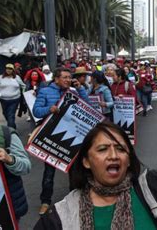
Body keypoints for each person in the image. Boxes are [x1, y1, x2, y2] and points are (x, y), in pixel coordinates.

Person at [34, 96, 157, 229]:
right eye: (102, 149)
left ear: (129, 159)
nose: (113, 155)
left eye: (120, 148)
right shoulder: (58, 218)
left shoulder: (155, 190)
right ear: (85, 161)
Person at [33, 67, 90, 215]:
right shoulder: (45, 92)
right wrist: (48, 109)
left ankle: (75, 197)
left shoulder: (73, 92)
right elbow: (36, 111)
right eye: (64, 77)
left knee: (74, 170)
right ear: (56, 78)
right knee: (49, 172)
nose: (68, 80)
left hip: (70, 135)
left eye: (69, 77)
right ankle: (45, 201)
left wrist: (80, 89)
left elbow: (88, 107)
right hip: (52, 136)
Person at [0, 63, 26, 129]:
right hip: (3, 100)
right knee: (5, 114)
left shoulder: (17, 77)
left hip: (14, 99)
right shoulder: (0, 77)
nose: (8, 70)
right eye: (7, 68)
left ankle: (11, 132)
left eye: (10, 69)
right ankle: (12, 126)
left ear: (13, 70)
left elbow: (23, 86)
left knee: (11, 115)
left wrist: (23, 93)